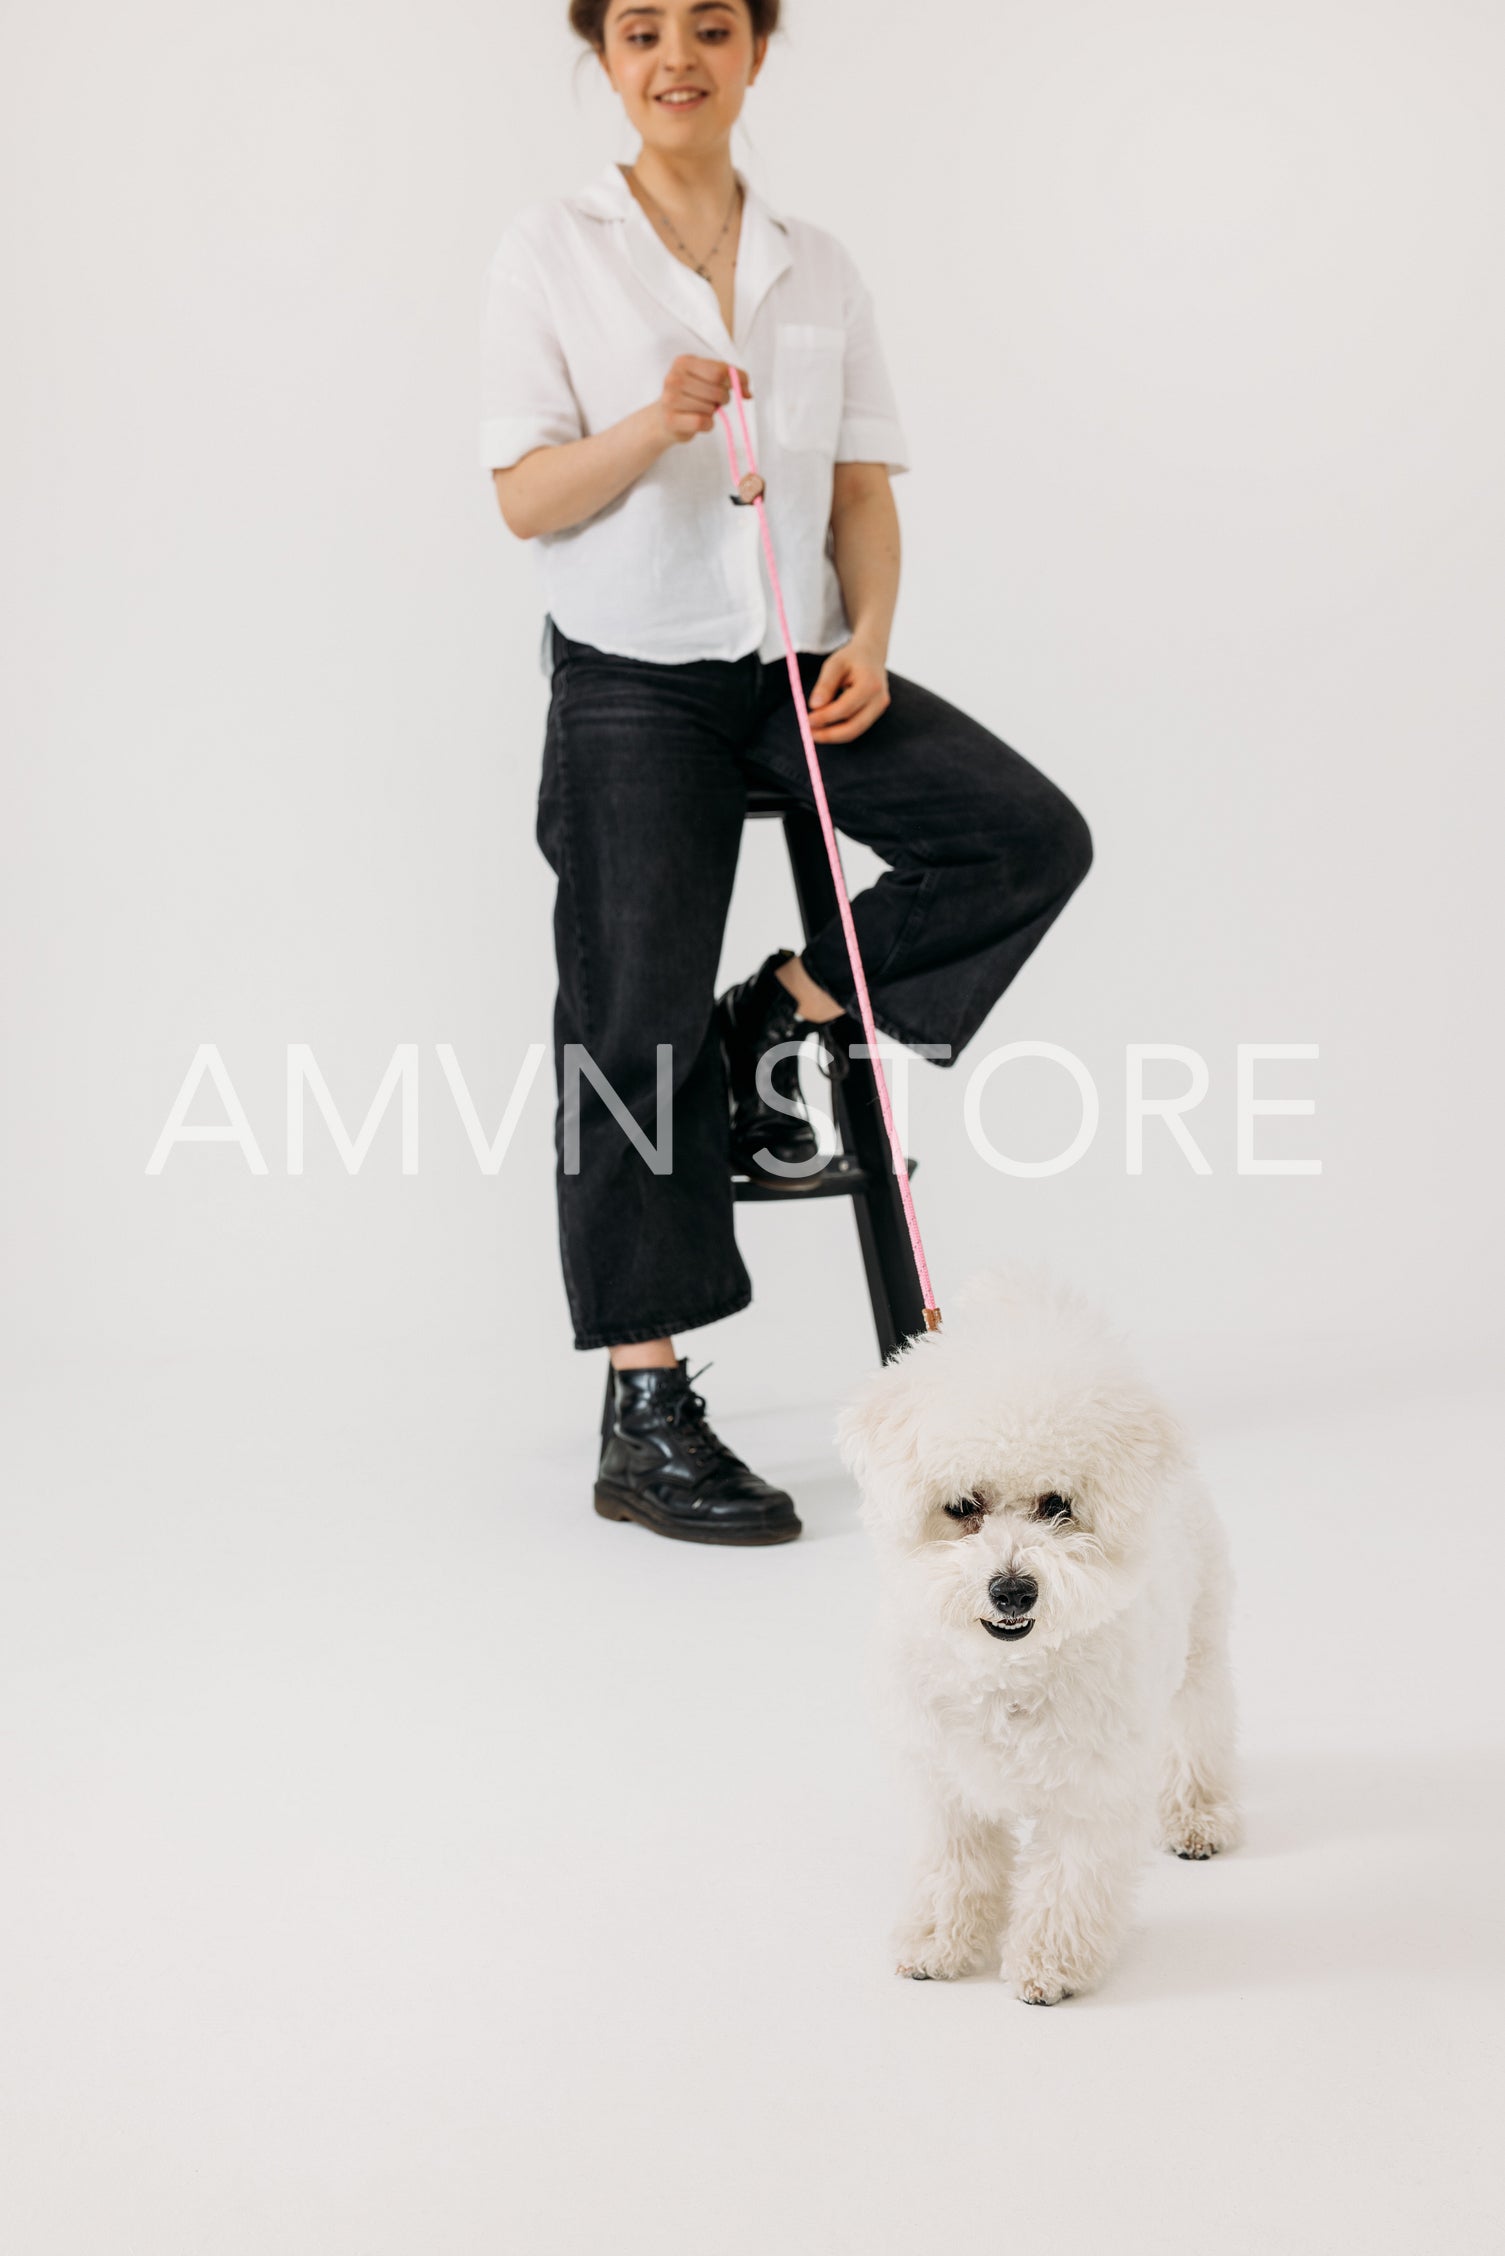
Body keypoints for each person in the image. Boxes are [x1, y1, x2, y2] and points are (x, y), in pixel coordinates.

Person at [480, 0, 1093, 1548]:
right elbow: (524, 497)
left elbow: (865, 492)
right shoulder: (549, 247)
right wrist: (645, 427)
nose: (674, 53)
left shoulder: (817, 262)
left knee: (1023, 837)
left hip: (795, 668)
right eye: (639, 29)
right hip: (631, 676)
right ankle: (647, 1401)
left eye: (707, 25)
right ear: (602, 56)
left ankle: (782, 1015)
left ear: (756, 48)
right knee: (626, 1021)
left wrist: (870, 635)